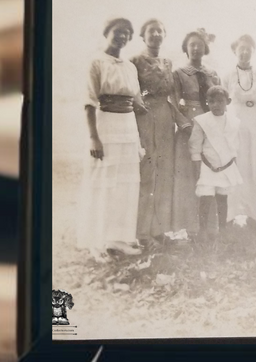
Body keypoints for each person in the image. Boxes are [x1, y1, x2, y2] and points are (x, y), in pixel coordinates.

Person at [78, 16, 148, 257]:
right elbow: (88, 102)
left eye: (127, 33)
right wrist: (93, 138)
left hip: (128, 127)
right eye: (118, 31)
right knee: (104, 182)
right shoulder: (96, 62)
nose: (122, 36)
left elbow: (137, 99)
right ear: (106, 32)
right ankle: (97, 242)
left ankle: (118, 238)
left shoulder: (130, 66)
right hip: (106, 125)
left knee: (126, 184)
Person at [132, 18, 191, 244]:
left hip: (166, 118)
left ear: (164, 35)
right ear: (143, 34)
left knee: (164, 173)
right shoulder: (135, 61)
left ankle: (159, 229)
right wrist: (138, 105)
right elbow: (131, 91)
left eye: (160, 31)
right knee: (147, 172)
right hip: (145, 117)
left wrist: (180, 117)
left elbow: (171, 96)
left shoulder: (167, 62)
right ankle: (142, 232)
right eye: (151, 31)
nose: (156, 34)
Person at [172, 28, 220, 238]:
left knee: (209, 174)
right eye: (191, 44)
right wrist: (184, 124)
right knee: (190, 176)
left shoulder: (213, 74)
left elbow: (220, 101)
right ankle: (191, 226)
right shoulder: (179, 73)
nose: (196, 48)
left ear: (205, 48)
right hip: (190, 127)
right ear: (186, 47)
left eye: (199, 44)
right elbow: (172, 102)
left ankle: (210, 226)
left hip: (210, 127)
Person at [224, 34, 256, 227]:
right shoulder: (227, 75)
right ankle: (232, 215)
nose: (244, 52)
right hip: (236, 121)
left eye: (248, 49)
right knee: (237, 166)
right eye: (241, 49)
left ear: (253, 51)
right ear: (235, 51)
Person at [190, 85, 242, 246]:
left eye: (220, 101)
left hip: (225, 166)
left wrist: (233, 162)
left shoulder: (234, 122)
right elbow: (195, 144)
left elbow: (235, 144)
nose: (215, 105)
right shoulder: (202, 121)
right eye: (211, 101)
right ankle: (203, 230)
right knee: (205, 199)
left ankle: (223, 229)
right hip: (208, 166)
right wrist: (197, 163)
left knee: (222, 199)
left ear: (228, 102)